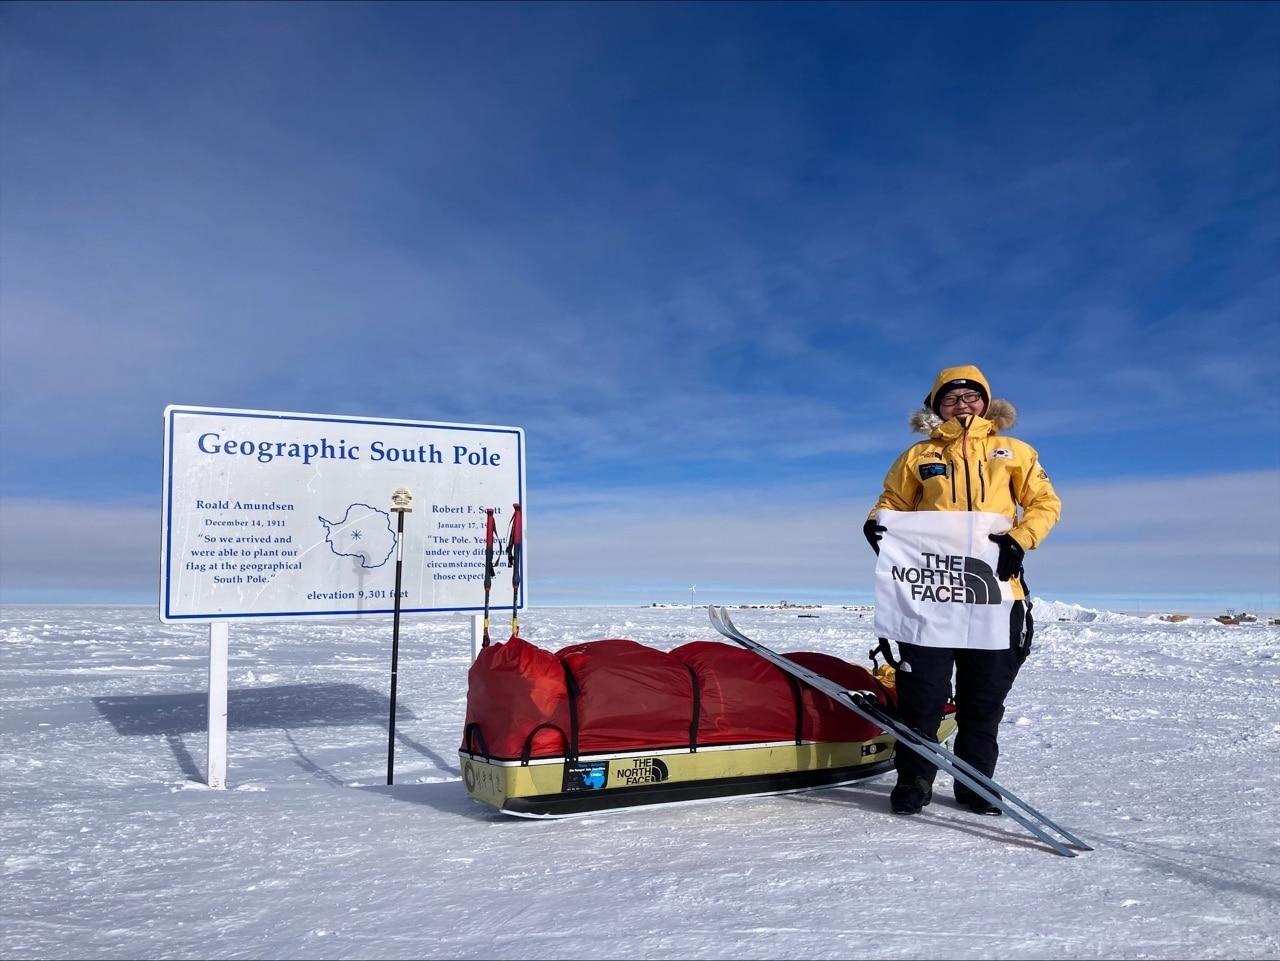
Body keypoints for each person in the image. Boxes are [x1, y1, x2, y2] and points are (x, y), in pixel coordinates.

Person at [864, 364, 1061, 816]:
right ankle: (914, 779)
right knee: (923, 697)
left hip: (993, 592)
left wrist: (1019, 539)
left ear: (986, 402)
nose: (962, 403)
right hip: (931, 594)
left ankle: (976, 785)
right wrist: (877, 525)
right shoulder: (918, 456)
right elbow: (891, 502)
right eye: (950, 398)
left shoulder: (1014, 452)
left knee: (984, 697)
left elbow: (1044, 504)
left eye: (971, 396)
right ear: (936, 406)